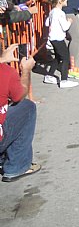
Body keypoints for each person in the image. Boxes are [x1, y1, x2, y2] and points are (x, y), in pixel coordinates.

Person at [0, 43, 40, 182]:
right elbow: (19, 95)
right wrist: (26, 70)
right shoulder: (5, 72)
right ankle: (17, 166)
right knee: (27, 107)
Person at [43, 0, 78, 88]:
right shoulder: (60, 13)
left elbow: (47, 23)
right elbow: (65, 27)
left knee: (58, 57)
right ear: (60, 1)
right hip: (58, 38)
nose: (67, 1)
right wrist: (69, 21)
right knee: (65, 58)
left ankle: (49, 75)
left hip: (53, 38)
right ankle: (64, 80)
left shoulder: (52, 11)